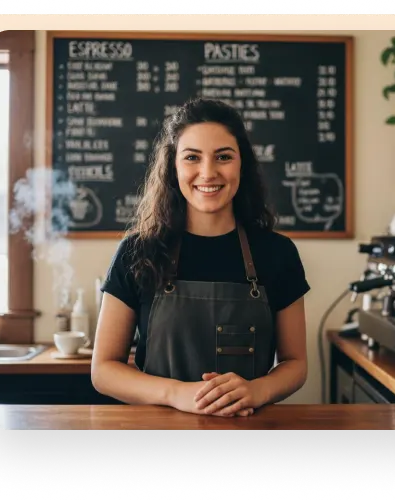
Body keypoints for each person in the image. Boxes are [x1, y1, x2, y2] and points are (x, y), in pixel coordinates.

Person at [91, 98, 310, 417]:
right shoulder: (138, 251)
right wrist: (176, 393)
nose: (208, 173)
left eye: (223, 157)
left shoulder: (278, 253)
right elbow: (104, 370)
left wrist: (256, 391)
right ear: (174, 166)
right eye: (192, 157)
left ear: (241, 165)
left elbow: (296, 363)